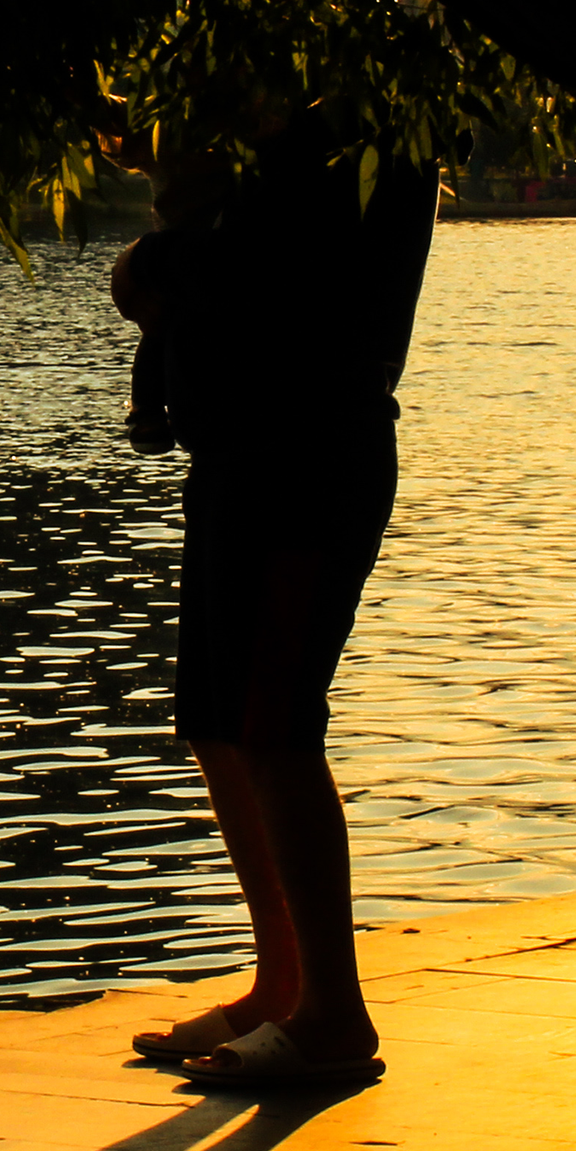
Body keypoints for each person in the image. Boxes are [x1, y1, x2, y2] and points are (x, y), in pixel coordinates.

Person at [114, 99, 438, 1087]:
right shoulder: (271, 152)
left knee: (273, 723)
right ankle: (283, 982)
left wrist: (150, 267)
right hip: (235, 456)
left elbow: (253, 280)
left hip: (305, 460)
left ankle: (333, 1012)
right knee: (219, 723)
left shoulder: (357, 141)